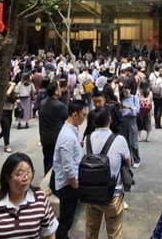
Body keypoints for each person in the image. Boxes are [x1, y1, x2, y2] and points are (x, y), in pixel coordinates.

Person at [0, 153, 57, 239]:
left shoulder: (40, 199)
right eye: (20, 174)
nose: (26, 178)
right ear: (7, 177)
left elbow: (49, 232)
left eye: (29, 172)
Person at [83, 107, 131, 239]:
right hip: (112, 195)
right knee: (114, 233)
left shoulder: (87, 139)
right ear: (109, 120)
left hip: (91, 195)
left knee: (91, 232)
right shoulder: (119, 139)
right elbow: (129, 162)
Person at [52, 100, 88, 239]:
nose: (84, 118)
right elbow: (67, 167)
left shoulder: (71, 130)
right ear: (74, 115)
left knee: (66, 216)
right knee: (66, 220)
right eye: (83, 115)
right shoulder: (67, 136)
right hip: (67, 185)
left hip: (68, 182)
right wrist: (75, 185)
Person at [38, 84, 68, 174]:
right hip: (56, 137)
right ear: (56, 91)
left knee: (47, 159)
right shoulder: (60, 105)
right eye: (59, 88)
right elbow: (67, 118)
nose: (60, 90)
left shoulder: (43, 103)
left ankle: (46, 177)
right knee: (55, 161)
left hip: (45, 137)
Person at [119, 84, 141, 168]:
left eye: (126, 91)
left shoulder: (135, 97)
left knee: (133, 142)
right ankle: (129, 160)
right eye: (123, 91)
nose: (125, 93)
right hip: (124, 121)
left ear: (130, 90)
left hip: (132, 120)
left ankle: (137, 159)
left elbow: (137, 109)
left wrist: (128, 108)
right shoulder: (122, 99)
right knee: (125, 142)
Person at [0, 82, 16, 153]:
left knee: (7, 128)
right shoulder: (3, 94)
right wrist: (12, 85)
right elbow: (7, 94)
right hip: (3, 112)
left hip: (9, 112)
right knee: (6, 128)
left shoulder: (13, 93)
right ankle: (7, 146)